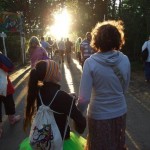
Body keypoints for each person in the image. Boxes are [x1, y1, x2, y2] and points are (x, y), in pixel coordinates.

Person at [77, 20, 130, 150]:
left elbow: (84, 99)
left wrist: (77, 115)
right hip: (120, 112)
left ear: (97, 40)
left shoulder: (90, 63)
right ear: (118, 39)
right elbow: (124, 89)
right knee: (118, 145)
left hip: (98, 116)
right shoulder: (125, 60)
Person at [20, 59, 86, 150]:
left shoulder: (38, 91)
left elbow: (51, 101)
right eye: (57, 70)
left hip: (43, 140)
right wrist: (70, 101)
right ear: (52, 75)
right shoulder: (63, 97)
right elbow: (81, 122)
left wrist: (67, 97)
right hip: (62, 142)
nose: (59, 72)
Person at [0, 51, 21, 138]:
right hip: (4, 86)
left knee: (9, 102)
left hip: (4, 86)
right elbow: (11, 67)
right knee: (9, 102)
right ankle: (12, 119)